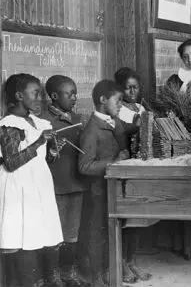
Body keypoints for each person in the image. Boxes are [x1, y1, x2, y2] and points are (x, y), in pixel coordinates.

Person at [0, 74, 63, 287]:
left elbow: (47, 160)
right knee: (23, 236)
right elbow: (11, 163)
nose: (41, 98)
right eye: (35, 93)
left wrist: (53, 149)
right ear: (19, 96)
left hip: (39, 185)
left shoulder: (38, 122)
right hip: (19, 187)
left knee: (42, 233)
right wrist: (37, 143)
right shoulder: (9, 124)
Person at [78, 80, 130, 286]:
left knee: (112, 232)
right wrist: (115, 161)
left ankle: (111, 270)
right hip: (98, 192)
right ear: (102, 100)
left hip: (112, 190)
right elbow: (84, 166)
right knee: (97, 234)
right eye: (118, 101)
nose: (120, 106)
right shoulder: (91, 130)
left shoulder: (114, 122)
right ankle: (96, 276)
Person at [40, 75, 90, 287]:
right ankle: (53, 277)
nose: (74, 98)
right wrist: (51, 151)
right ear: (53, 96)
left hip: (76, 184)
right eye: (69, 94)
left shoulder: (78, 119)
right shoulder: (43, 121)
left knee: (72, 233)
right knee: (54, 234)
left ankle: (68, 273)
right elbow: (38, 159)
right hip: (55, 186)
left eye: (75, 93)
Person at [114, 67, 153, 282]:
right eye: (127, 87)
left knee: (138, 219)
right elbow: (122, 131)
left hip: (141, 167)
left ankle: (131, 261)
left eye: (135, 87)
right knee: (126, 220)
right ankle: (122, 265)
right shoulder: (118, 110)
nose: (131, 91)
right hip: (126, 166)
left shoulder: (140, 107)